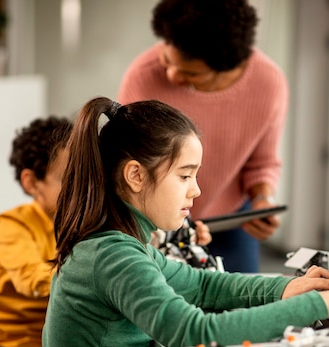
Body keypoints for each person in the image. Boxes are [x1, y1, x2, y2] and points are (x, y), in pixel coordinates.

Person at [41, 96, 329, 347]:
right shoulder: (113, 256)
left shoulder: (120, 244)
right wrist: (327, 305)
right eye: (185, 175)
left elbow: (200, 284)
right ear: (135, 175)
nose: (196, 190)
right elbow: (194, 332)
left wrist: (285, 290)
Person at [118, 0, 288, 273]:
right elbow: (126, 161)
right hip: (159, 219)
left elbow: (261, 163)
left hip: (230, 220)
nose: (171, 74)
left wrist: (262, 201)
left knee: (244, 304)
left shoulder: (268, 83)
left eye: (190, 73)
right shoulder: (143, 76)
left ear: (224, 67)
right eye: (166, 59)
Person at [0, 116, 72, 347]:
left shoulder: (86, 225)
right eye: (67, 180)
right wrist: (93, 276)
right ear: (32, 182)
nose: (82, 190)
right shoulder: (15, 224)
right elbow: (32, 279)